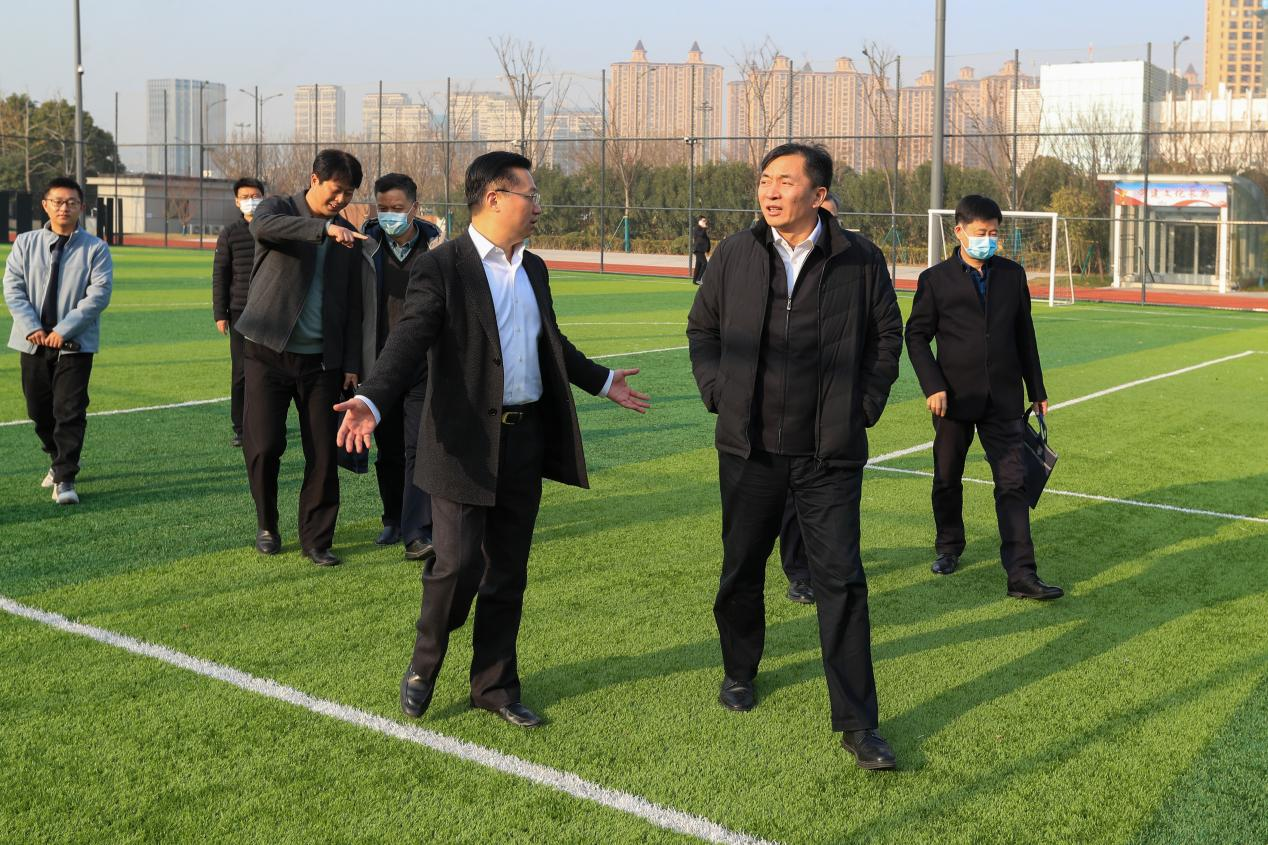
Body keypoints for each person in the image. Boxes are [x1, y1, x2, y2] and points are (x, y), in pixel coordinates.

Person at [336, 152, 650, 729]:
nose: (538, 206)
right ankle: (425, 661)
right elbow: (409, 339)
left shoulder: (534, 269)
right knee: (456, 567)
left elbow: (550, 341)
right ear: (494, 198)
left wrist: (604, 381)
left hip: (523, 442)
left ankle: (495, 686)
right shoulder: (443, 266)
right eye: (531, 194)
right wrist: (372, 400)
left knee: (507, 571)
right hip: (461, 444)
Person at [687, 143, 904, 769]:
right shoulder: (735, 253)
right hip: (749, 448)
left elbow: (887, 334)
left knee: (842, 581)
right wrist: (717, 392)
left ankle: (859, 723)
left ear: (819, 193)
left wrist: (863, 405)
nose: (770, 191)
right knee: (741, 570)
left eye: (785, 181)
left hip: (828, 452)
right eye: (765, 180)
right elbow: (702, 329)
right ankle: (739, 670)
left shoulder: (859, 258)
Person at [905, 194, 1062, 600]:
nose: (989, 240)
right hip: (953, 400)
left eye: (994, 233)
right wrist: (933, 385)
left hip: (1004, 400)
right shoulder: (935, 280)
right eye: (981, 233)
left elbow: (1024, 335)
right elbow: (916, 336)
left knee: (1013, 484)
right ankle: (948, 546)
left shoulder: (1012, 275)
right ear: (959, 231)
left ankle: (1022, 574)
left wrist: (1037, 389)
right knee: (947, 477)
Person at [234, 149, 364, 566]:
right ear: (314, 180)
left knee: (324, 453)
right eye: (336, 190)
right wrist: (323, 230)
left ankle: (317, 540)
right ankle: (267, 524)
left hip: (321, 363)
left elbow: (352, 304)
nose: (341, 200)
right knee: (264, 445)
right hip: (266, 352)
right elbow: (263, 227)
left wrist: (351, 363)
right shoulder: (278, 209)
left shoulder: (347, 235)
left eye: (348, 194)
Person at [4, 176, 113, 506]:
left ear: (81, 207)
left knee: (70, 409)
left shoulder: (96, 248)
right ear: (45, 205)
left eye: (71, 202)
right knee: (38, 410)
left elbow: (98, 295)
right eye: (58, 201)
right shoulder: (25, 243)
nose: (64, 208)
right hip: (33, 341)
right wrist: (32, 327)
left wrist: (63, 330)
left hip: (74, 344)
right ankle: (56, 457)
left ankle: (65, 477)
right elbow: (13, 287)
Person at [357, 172, 442, 558]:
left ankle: (417, 531)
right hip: (380, 365)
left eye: (397, 208)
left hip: (423, 364)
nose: (389, 214)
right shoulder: (366, 247)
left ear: (414, 208)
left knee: (417, 447)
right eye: (383, 208)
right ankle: (392, 518)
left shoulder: (436, 250)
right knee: (388, 450)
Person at [212, 177, 266, 448]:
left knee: (270, 372)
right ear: (236, 201)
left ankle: (267, 422)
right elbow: (220, 274)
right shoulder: (230, 233)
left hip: (270, 312)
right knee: (241, 372)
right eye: (245, 196)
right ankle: (241, 428)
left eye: (255, 196)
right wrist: (220, 313)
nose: (250, 201)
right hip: (240, 313)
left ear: (264, 198)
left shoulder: (272, 229)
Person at [691, 216, 710, 285]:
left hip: (702, 250)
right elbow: (701, 235)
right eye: (703, 220)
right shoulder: (697, 228)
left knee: (698, 265)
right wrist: (704, 228)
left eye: (705, 221)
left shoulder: (703, 229)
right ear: (699, 221)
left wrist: (708, 249)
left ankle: (695, 280)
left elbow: (706, 240)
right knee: (705, 263)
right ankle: (699, 279)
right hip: (698, 250)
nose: (705, 222)